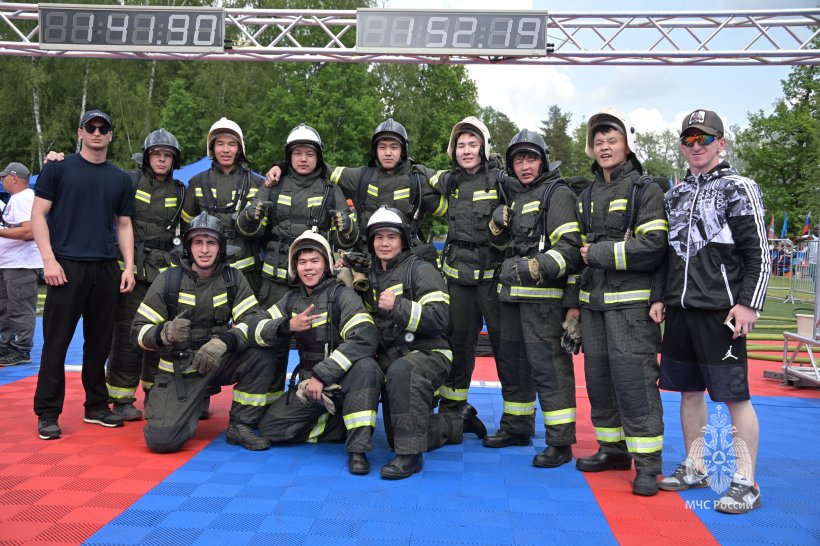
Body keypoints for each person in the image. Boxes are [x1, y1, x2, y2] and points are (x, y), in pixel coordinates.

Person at [651, 109, 770, 514]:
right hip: (681, 311)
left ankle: (744, 481)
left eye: (704, 139)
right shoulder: (675, 194)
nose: (696, 146)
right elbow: (669, 256)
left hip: (722, 312)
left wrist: (749, 303)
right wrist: (661, 297)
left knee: (735, 397)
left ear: (721, 142)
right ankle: (695, 465)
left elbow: (759, 253)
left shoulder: (739, 187)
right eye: (689, 139)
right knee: (688, 392)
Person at [43, 129, 186, 420]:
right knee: (124, 335)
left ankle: (156, 393)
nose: (161, 159)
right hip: (125, 270)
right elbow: (114, 213)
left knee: (162, 336)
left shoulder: (182, 190)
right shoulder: (127, 180)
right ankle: (119, 398)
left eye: (167, 155)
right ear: (146, 157)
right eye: (156, 154)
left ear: (174, 160)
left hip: (164, 272)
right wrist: (55, 161)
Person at [566, 108, 668, 496]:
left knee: (635, 383)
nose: (605, 147)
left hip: (630, 310)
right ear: (591, 150)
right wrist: (574, 305)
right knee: (600, 382)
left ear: (627, 145)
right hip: (593, 308)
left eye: (612, 140)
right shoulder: (587, 194)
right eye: (599, 142)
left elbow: (654, 247)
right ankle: (612, 450)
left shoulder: (647, 190)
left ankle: (647, 465)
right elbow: (578, 253)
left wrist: (601, 253)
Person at [131, 212, 277, 453]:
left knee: (262, 354)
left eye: (211, 242)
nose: (205, 249)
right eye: (198, 242)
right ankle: (185, 403)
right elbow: (137, 331)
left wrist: (224, 342)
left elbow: (252, 321)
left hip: (218, 360)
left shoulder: (233, 278)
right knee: (161, 441)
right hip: (181, 370)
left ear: (221, 248)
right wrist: (164, 334)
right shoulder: (169, 280)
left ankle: (241, 425)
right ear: (188, 247)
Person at [31, 109, 136, 440]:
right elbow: (38, 215)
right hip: (65, 266)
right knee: (56, 343)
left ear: (110, 135)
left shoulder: (119, 178)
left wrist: (129, 266)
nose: (96, 132)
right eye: (90, 127)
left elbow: (124, 224)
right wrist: (48, 260)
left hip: (106, 268)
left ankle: (95, 405)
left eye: (102, 128)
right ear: (80, 132)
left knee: (99, 343)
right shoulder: (58, 169)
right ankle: (48, 412)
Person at [236, 123, 357, 404]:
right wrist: (252, 214)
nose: (303, 159)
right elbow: (246, 229)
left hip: (317, 284)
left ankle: (316, 400)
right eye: (297, 153)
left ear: (318, 157)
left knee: (322, 341)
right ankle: (264, 404)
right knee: (269, 343)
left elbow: (348, 239)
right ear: (288, 156)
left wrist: (346, 226)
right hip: (276, 282)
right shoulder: (272, 185)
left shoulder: (330, 189)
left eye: (309, 153)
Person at [484, 130, 581, 469]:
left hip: (543, 303)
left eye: (531, 158)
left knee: (549, 370)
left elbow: (570, 248)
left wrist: (536, 267)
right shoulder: (516, 195)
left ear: (543, 160)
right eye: (519, 160)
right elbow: (504, 248)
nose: (524, 166)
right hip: (510, 299)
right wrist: (496, 228)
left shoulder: (558, 194)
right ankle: (516, 427)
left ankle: (560, 441)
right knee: (513, 365)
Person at [251, 231, 383, 475]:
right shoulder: (290, 300)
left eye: (315, 261)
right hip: (310, 388)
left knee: (367, 367)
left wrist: (323, 376)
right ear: (294, 267)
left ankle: (357, 449)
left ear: (326, 265)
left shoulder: (343, 295)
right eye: (302, 262)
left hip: (339, 383)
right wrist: (286, 325)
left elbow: (365, 336)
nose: (308, 268)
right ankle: (339, 425)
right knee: (271, 429)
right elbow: (257, 322)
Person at [365, 206, 466, 479]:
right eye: (378, 237)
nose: (384, 243)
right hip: (393, 356)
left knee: (402, 372)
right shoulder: (367, 274)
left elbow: (440, 318)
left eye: (391, 237)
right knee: (396, 434)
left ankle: (410, 457)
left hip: (429, 352)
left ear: (403, 240)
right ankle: (455, 422)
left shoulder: (421, 270)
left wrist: (398, 305)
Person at [266, 119, 446, 262]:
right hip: (367, 260)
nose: (388, 153)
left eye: (394, 147)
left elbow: (447, 210)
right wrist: (282, 165)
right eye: (382, 147)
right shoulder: (360, 177)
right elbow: (319, 167)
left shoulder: (417, 180)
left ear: (403, 150)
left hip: (408, 261)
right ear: (375, 150)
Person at [427, 116, 507, 437]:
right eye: (461, 145)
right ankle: (453, 412)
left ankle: (517, 421)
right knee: (458, 345)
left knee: (506, 346)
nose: (467, 150)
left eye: (473, 144)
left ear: (484, 148)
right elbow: (414, 176)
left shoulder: (503, 180)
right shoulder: (449, 182)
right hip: (458, 279)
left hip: (493, 279)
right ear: (453, 150)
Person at [182, 117, 264, 292]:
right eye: (220, 144)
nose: (226, 150)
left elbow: (264, 231)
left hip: (248, 273)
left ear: (239, 149)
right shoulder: (197, 183)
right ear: (212, 148)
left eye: (232, 144)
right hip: (207, 271)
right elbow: (186, 226)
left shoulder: (256, 183)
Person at [0, 162, 42, 367]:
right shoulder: (17, 199)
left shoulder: (24, 198)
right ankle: (7, 345)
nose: (2, 180)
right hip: (12, 263)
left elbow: (29, 232)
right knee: (7, 308)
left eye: (4, 176)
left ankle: (22, 349)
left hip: (21, 264)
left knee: (20, 309)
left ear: (14, 177)